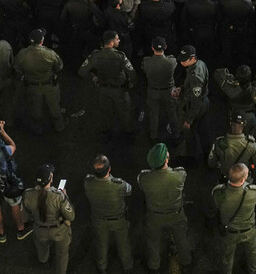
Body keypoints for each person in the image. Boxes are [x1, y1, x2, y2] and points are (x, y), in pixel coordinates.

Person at [137, 143, 192, 272]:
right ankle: (187, 261)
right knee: (181, 239)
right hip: (176, 214)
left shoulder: (144, 178)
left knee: (153, 242)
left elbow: (142, 181)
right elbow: (181, 172)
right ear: (166, 159)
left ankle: (153, 265)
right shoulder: (179, 175)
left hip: (155, 216)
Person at [79, 30, 137, 136]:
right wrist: (130, 84)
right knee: (124, 112)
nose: (119, 40)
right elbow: (132, 74)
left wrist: (93, 78)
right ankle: (129, 133)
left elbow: (82, 71)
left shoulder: (95, 55)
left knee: (105, 112)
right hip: (119, 90)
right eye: (117, 39)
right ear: (111, 42)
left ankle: (106, 132)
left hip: (103, 89)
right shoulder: (120, 56)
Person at [83, 154, 133, 274]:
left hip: (98, 220)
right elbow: (129, 190)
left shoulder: (88, 183)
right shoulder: (118, 185)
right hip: (118, 220)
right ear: (109, 169)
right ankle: (128, 266)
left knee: (101, 245)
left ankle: (102, 267)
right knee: (123, 244)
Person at [21, 163, 75, 274]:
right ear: (51, 179)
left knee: (42, 248)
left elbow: (24, 218)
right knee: (62, 255)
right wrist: (66, 196)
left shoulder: (27, 194)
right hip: (59, 230)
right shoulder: (58, 196)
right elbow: (71, 216)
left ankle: (43, 261)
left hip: (40, 229)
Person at [15, 29, 66, 135]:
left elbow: (17, 69)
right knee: (54, 107)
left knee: (35, 109)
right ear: (42, 41)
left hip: (32, 86)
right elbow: (59, 67)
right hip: (49, 85)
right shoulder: (49, 54)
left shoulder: (22, 54)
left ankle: (38, 129)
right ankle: (59, 126)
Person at [212, 162, 256, 274]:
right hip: (249, 230)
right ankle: (254, 271)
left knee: (227, 257)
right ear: (243, 180)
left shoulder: (219, 192)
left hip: (229, 232)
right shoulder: (253, 191)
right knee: (252, 253)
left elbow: (216, 203)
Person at [174, 45, 209, 161]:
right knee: (203, 130)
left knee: (190, 133)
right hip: (203, 102)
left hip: (197, 106)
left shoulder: (195, 75)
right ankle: (207, 154)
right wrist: (182, 88)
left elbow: (196, 101)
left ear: (192, 58)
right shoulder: (200, 64)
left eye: (184, 60)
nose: (181, 62)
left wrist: (189, 120)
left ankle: (191, 157)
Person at [142, 36, 179, 141]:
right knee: (172, 113)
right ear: (165, 47)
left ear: (152, 48)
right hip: (168, 91)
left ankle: (154, 137)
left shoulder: (146, 62)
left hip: (153, 91)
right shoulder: (171, 61)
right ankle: (176, 135)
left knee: (154, 114)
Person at [208, 112, 256, 182]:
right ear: (244, 124)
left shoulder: (218, 143)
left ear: (230, 123)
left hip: (226, 179)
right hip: (244, 180)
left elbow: (211, 162)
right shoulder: (251, 145)